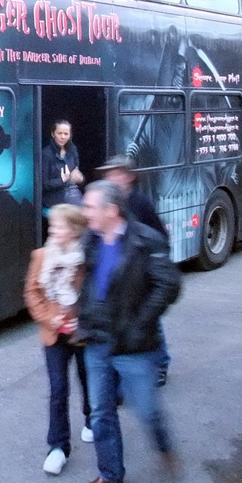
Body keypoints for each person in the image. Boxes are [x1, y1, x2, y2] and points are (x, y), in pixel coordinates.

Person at [77, 180, 181, 483]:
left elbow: (169, 285)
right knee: (100, 411)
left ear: (111, 210)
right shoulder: (90, 239)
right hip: (96, 340)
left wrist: (140, 324)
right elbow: (85, 283)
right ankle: (110, 473)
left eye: (90, 207)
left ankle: (165, 448)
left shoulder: (145, 240)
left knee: (147, 410)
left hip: (132, 343)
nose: (85, 214)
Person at [24, 203, 93, 477]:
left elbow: (94, 294)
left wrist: (84, 320)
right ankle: (58, 447)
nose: (52, 230)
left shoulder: (86, 259)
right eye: (52, 226)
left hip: (80, 334)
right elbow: (32, 292)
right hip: (53, 334)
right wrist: (46, 318)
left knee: (88, 380)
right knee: (58, 390)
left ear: (75, 231)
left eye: (59, 226)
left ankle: (91, 419)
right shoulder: (41, 256)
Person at [96, 154, 172, 386]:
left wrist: (154, 267)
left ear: (128, 177)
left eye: (116, 173)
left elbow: (158, 236)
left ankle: (161, 364)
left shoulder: (140, 203)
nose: (111, 177)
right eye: (108, 173)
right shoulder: (111, 202)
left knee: (149, 320)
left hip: (141, 271)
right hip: (120, 272)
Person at [42, 120, 85, 210]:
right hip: (53, 198)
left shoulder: (73, 150)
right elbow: (43, 184)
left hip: (72, 194)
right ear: (53, 134)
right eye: (59, 133)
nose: (63, 137)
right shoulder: (46, 153)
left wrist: (79, 178)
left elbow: (76, 173)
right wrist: (62, 180)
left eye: (66, 134)